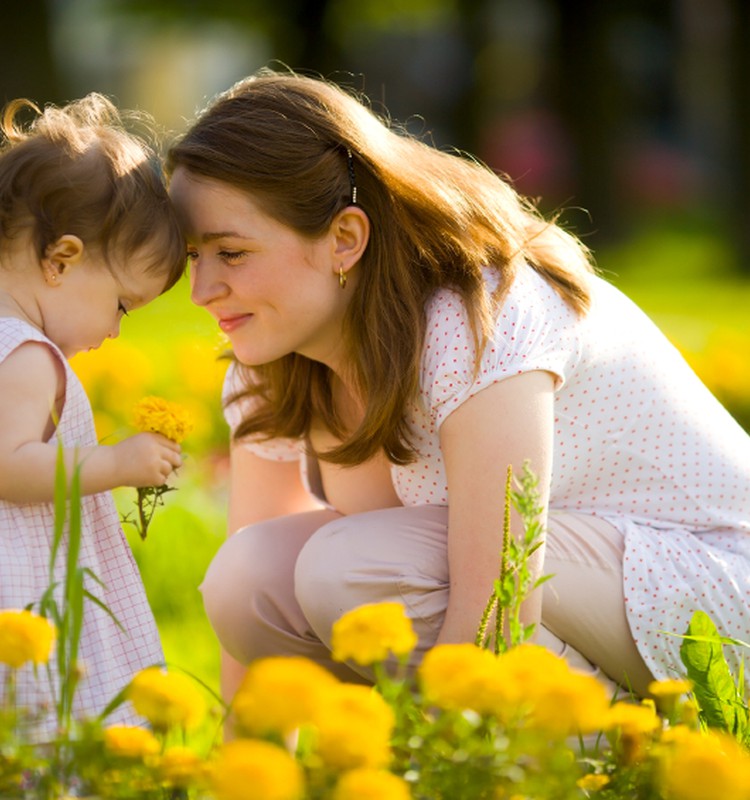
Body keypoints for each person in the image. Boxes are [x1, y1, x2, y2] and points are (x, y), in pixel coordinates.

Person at [167, 68, 750, 709]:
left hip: (719, 601)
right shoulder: (270, 356)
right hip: (580, 597)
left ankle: (606, 748)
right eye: (194, 255)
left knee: (354, 568)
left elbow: (500, 598)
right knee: (248, 578)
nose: (203, 290)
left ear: (344, 239)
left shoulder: (477, 314)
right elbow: (248, 613)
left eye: (232, 253)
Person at [0, 93, 185, 733]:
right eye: (122, 305)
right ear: (62, 260)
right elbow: (7, 465)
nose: (115, 331)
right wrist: (115, 462)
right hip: (20, 591)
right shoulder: (26, 357)